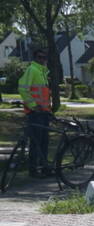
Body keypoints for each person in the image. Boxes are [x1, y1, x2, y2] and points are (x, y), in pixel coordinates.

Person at [18, 47, 52, 177]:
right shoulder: (32, 70)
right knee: (36, 142)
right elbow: (22, 89)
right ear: (35, 58)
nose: (42, 60)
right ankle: (33, 170)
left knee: (44, 142)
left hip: (44, 113)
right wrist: (33, 105)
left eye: (44, 57)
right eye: (39, 57)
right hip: (35, 114)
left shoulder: (43, 72)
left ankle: (44, 168)